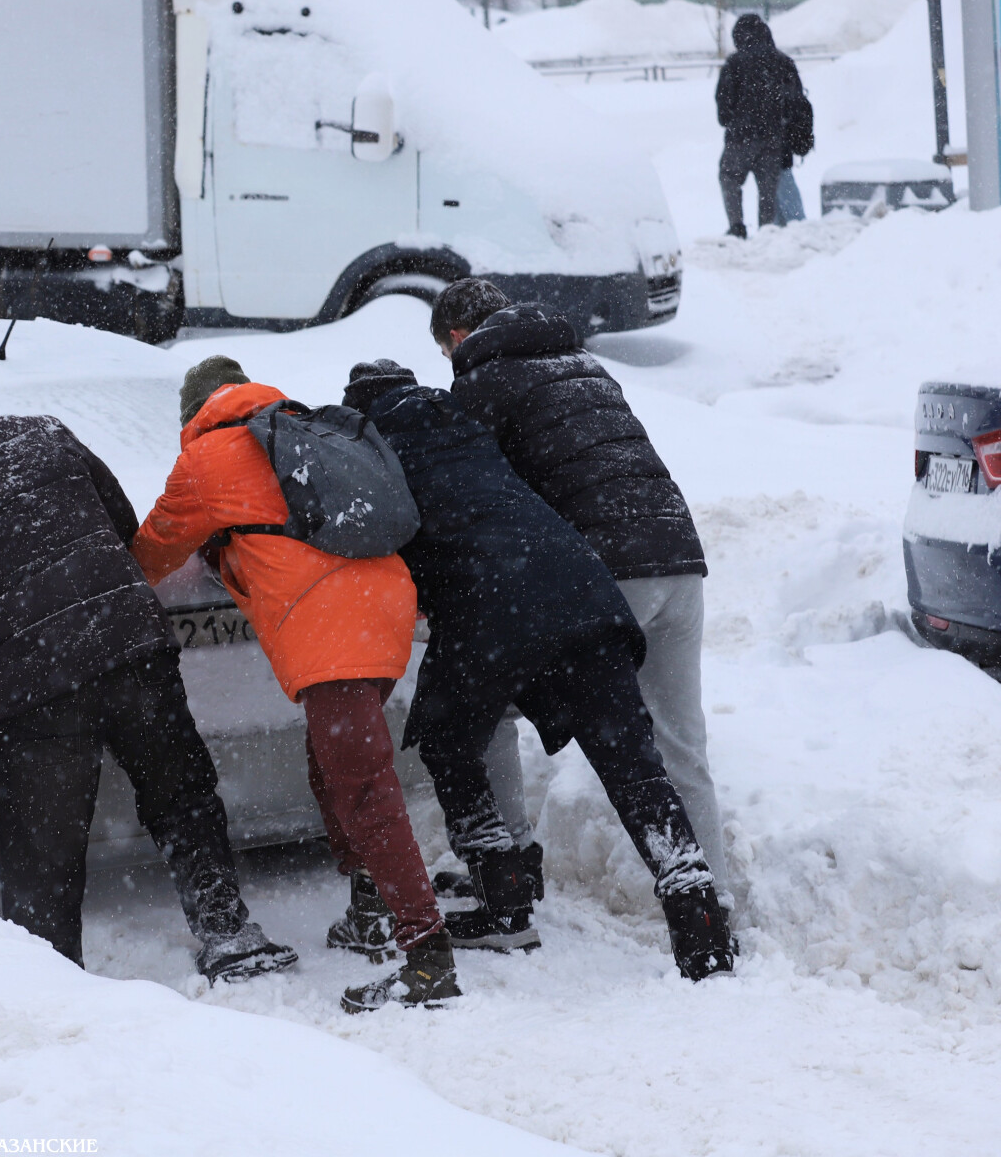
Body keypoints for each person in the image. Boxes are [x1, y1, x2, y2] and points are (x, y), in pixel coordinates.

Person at [0, 363, 296, 984]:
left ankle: (55, 981)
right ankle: (228, 930)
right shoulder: (43, 432)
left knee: (43, 847)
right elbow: (119, 524)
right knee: (181, 796)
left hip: (40, 686)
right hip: (130, 643)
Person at [342, 359, 735, 982]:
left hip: (493, 604)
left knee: (448, 742)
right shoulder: (462, 421)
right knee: (633, 765)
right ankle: (702, 928)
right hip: (582, 588)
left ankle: (504, 904)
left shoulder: (372, 446)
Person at [131, 356, 458, 1012]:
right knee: (331, 761)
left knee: (365, 786)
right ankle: (370, 905)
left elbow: (149, 557)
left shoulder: (205, 458)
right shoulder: (302, 432)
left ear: (193, 412)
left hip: (328, 626)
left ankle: (427, 958)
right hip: (385, 604)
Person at [432, 282, 731, 935]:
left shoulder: (484, 381)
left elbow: (477, 499)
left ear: (458, 336)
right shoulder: (580, 362)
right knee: (682, 745)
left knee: (484, 709)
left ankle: (506, 871)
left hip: (607, 570)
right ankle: (717, 905)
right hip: (678, 556)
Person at [715, 12, 806, 237]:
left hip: (739, 139)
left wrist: (736, 119)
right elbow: (796, 102)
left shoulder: (734, 64)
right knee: (767, 189)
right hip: (773, 140)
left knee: (729, 179)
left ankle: (737, 226)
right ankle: (766, 232)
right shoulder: (783, 62)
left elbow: (723, 110)